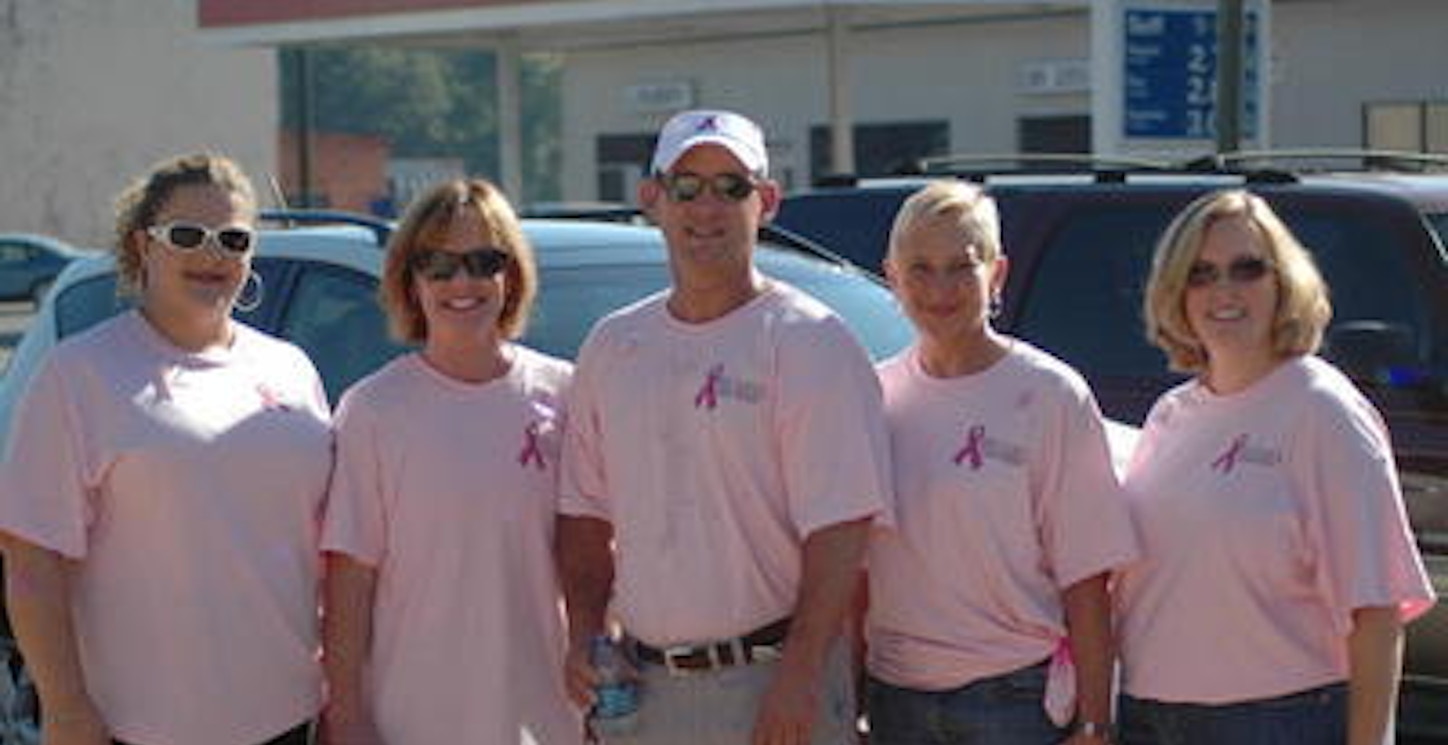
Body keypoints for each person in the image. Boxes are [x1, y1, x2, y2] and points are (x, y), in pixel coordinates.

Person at [556, 108, 895, 745]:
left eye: (730, 186)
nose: (705, 207)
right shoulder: (613, 346)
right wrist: (585, 634)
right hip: (643, 691)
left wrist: (800, 676)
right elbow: (583, 515)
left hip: (773, 686)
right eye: (686, 186)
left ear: (766, 201)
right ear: (652, 199)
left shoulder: (812, 342)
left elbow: (842, 534)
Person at [0, 153, 331, 745]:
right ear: (142, 245)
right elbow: (30, 565)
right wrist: (67, 708)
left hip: (290, 716)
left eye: (233, 238)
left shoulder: (291, 368)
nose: (213, 255)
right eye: (187, 235)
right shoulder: (79, 375)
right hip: (143, 727)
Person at [1115, 189, 1437, 745]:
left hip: (1277, 721)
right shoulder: (1170, 417)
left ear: (1283, 281)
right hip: (1150, 716)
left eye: (1247, 269)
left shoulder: (1323, 412)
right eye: (1201, 273)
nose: (1224, 291)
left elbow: (1377, 613)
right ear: (1175, 289)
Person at [863, 180, 1138, 745]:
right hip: (895, 698)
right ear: (891, 276)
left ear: (997, 274)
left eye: (961, 267)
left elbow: (1086, 577)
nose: (940, 288)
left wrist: (1094, 720)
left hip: (1013, 701)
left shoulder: (1050, 394)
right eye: (920, 268)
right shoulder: (871, 396)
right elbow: (854, 573)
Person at [320, 178, 582, 745]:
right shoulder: (373, 411)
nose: (462, 282)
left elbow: (592, 556)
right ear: (409, 282)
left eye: (483, 261)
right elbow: (349, 581)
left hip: (548, 720)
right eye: (438, 265)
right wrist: (346, 714)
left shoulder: (566, 395)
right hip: (411, 721)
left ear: (510, 275)